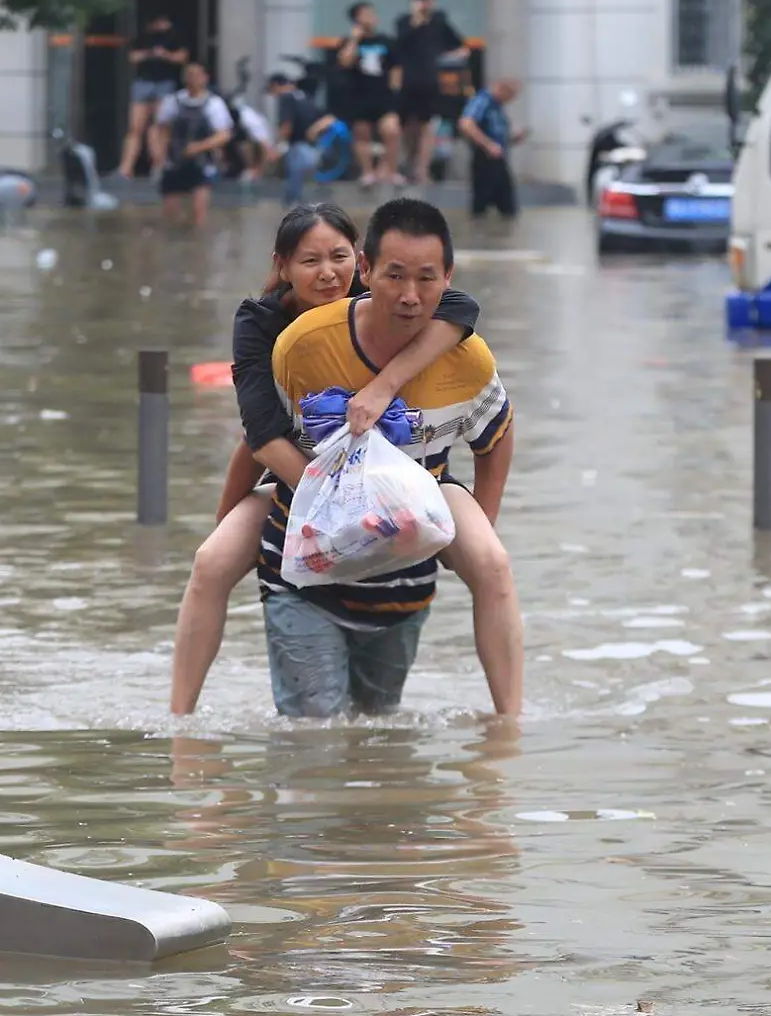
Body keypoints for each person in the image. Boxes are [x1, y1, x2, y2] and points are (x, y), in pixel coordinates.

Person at [168, 201, 524, 719]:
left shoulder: (403, 304)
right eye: (309, 261)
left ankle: (508, 725)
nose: (326, 274)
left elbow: (461, 310)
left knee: (492, 562)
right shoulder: (274, 331)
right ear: (282, 267)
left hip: (416, 477)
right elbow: (259, 438)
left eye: (337, 257)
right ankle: (180, 719)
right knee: (211, 561)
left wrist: (385, 384)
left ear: (357, 263)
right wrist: (334, 498)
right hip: (301, 474)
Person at [393, 0, 469, 184]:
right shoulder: (404, 21)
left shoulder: (439, 21)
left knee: (427, 125)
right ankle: (408, 162)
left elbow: (460, 45)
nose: (427, 4)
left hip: (430, 80)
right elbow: (399, 44)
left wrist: (447, 58)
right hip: (409, 80)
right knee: (409, 125)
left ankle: (422, 169)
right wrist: (416, 21)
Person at [150, 62, 233, 228]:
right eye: (189, 75)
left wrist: (199, 147)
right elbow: (160, 128)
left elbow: (224, 135)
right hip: (174, 161)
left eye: (197, 75)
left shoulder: (214, 104)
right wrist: (158, 154)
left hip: (202, 163)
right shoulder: (172, 101)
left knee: (199, 213)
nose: (193, 79)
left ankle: (199, 246)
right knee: (170, 215)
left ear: (205, 78)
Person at [335, 2, 402, 187]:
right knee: (362, 134)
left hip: (382, 95)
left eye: (371, 13)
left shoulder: (386, 41)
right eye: (364, 14)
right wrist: (354, 39)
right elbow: (344, 62)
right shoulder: (348, 42)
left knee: (392, 131)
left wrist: (394, 91)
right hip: (359, 95)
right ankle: (367, 172)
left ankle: (389, 169)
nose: (370, 17)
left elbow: (396, 68)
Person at [119, 14, 188, 178]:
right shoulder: (144, 38)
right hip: (144, 82)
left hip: (164, 83)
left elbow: (182, 57)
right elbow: (132, 57)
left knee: (160, 126)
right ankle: (126, 167)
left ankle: (159, 163)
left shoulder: (175, 37)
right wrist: (151, 53)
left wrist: (165, 55)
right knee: (136, 127)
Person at [458, 77, 527, 219]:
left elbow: (498, 134)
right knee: (481, 205)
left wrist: (514, 138)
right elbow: (466, 124)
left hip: (499, 160)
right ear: (502, 88)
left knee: (508, 208)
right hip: (485, 159)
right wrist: (488, 144)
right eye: (511, 95)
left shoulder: (498, 107)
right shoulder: (483, 101)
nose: (511, 100)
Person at [268, 72, 341, 204]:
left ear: (276, 86)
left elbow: (286, 126)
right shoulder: (304, 97)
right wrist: (314, 130)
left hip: (298, 149)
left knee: (294, 196)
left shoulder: (286, 98)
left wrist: (277, 146)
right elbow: (329, 118)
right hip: (315, 150)